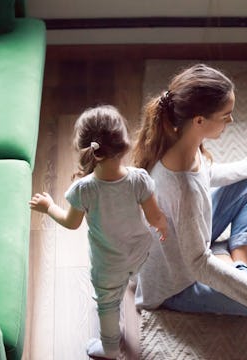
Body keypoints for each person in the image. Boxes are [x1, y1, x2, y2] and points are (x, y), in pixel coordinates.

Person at [133, 64, 247, 318]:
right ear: (199, 120)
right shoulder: (183, 192)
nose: (230, 120)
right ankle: (239, 271)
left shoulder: (181, 140)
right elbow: (199, 264)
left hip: (190, 236)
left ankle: (239, 263)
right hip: (176, 284)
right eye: (225, 115)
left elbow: (207, 174)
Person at [29, 105, 168, 360]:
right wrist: (162, 225)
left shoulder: (84, 189)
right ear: (124, 144)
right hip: (139, 252)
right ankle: (135, 283)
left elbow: (71, 223)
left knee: (107, 304)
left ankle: (110, 348)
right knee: (131, 274)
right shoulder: (139, 179)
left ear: (89, 149)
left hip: (108, 264)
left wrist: (49, 207)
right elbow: (154, 217)